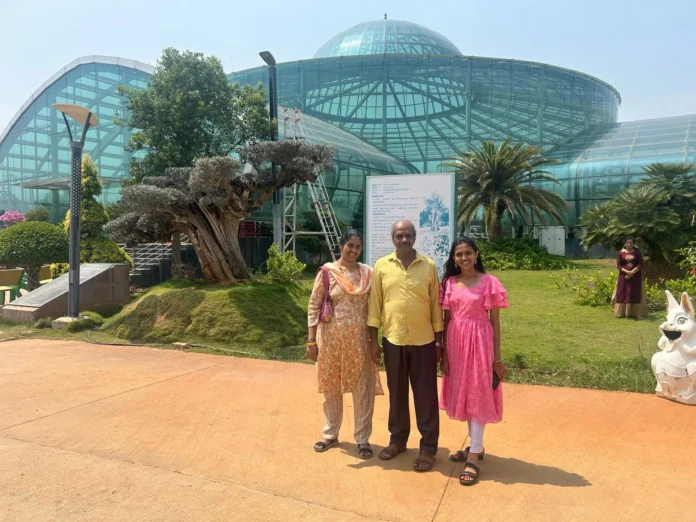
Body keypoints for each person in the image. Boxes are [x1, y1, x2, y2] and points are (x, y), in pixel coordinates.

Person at [367, 220, 444, 472]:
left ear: (414, 237)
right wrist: (373, 341)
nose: (404, 239)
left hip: (424, 341)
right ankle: (398, 440)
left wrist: (439, 341)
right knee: (397, 393)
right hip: (393, 339)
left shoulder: (428, 265)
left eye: (408, 235)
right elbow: (375, 305)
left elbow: (435, 305)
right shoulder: (382, 266)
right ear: (393, 239)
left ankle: (428, 447)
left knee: (426, 396)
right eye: (399, 236)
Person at [307, 230, 383, 459]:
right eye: (350, 245)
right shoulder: (327, 272)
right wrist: (311, 340)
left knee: (363, 391)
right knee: (331, 388)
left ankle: (362, 438)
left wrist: (374, 340)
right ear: (341, 246)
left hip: (360, 341)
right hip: (330, 341)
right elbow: (313, 305)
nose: (354, 250)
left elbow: (374, 308)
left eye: (358, 246)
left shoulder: (367, 273)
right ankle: (330, 434)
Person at [439, 237, 508, 486]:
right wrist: (445, 354)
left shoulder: (489, 282)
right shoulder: (449, 283)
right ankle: (475, 446)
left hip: (480, 342)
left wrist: (497, 359)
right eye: (459, 254)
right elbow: (447, 320)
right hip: (456, 344)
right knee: (466, 395)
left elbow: (495, 322)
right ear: (453, 258)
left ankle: (474, 457)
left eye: (468, 252)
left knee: (478, 393)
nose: (464, 258)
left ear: (476, 254)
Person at [612, 238, 648, 319]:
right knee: (623, 292)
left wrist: (632, 272)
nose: (629, 244)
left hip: (636, 276)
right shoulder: (620, 253)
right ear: (625, 244)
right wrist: (627, 272)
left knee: (634, 292)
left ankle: (636, 313)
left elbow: (640, 264)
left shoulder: (637, 252)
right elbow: (619, 265)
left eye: (631, 243)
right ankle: (621, 313)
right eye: (627, 243)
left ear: (633, 244)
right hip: (623, 276)